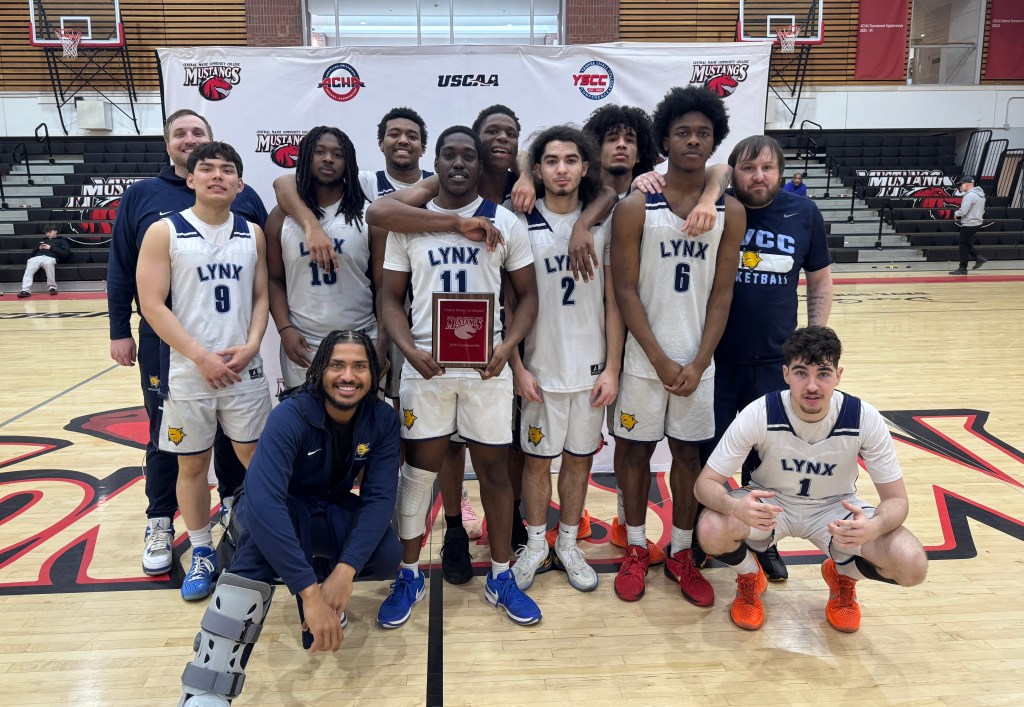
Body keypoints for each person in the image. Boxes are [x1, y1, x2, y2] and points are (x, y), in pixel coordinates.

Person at [370, 125, 542, 627]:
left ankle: (502, 575)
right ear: (436, 163)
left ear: (479, 164)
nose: (460, 163)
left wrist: (509, 349)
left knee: (494, 472)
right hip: (427, 370)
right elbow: (389, 299)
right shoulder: (411, 223)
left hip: (487, 369)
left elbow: (528, 297)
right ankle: (408, 574)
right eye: (450, 155)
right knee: (418, 473)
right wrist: (407, 350)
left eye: (469, 155)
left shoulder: (505, 221)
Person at [177, 331, 402, 706]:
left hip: (326, 507)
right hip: (272, 508)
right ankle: (208, 684)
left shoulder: (382, 419)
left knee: (384, 552)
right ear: (319, 371)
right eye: (337, 365)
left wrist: (343, 574)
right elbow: (266, 502)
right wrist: (310, 594)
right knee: (263, 546)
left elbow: (379, 500)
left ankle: (318, 570)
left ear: (373, 373)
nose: (348, 376)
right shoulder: (291, 414)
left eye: (360, 366)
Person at [107, 109, 267, 577]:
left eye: (227, 171)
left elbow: (262, 296)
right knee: (191, 464)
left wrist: (255, 342)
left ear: (239, 184)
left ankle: (256, 536)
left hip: (243, 367)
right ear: (191, 179)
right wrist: (198, 355)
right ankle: (199, 550)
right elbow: (152, 304)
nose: (217, 177)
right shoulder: (164, 229)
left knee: (256, 463)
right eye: (207, 170)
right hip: (187, 368)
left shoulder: (252, 232)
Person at [695, 326, 928, 632]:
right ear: (785, 374)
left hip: (834, 508)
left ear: (839, 375)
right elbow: (704, 484)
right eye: (802, 373)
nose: (812, 386)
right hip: (772, 505)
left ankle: (843, 576)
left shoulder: (863, 417)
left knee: (912, 564)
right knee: (711, 527)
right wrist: (734, 506)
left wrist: (874, 526)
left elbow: (896, 500)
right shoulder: (760, 412)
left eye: (824, 373)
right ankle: (750, 576)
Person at [610, 86, 745, 606]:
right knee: (634, 452)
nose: (693, 140)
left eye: (703, 134)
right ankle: (637, 547)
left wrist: (700, 359)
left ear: (714, 142)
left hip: (697, 362)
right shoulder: (634, 208)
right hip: (648, 362)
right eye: (683, 132)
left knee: (689, 455)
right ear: (663, 139)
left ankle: (682, 551)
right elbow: (624, 289)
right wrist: (661, 358)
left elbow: (722, 292)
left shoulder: (730, 211)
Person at [691, 135, 834, 582]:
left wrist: (816, 343)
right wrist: (715, 189)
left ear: (781, 172)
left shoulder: (804, 213)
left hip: (774, 362)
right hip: (715, 359)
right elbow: (713, 170)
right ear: (734, 172)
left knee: (765, 462)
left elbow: (820, 280)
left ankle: (761, 543)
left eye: (767, 168)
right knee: (707, 454)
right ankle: (702, 536)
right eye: (748, 167)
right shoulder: (716, 205)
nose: (757, 176)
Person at [509, 125, 623, 593]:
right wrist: (516, 366)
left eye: (571, 160)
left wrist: (613, 367)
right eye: (551, 161)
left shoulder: (604, 223)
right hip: (540, 369)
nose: (561, 169)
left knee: (579, 461)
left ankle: (568, 542)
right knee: (536, 462)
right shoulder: (518, 221)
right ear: (537, 168)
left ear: (585, 167)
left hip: (592, 371)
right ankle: (536, 542)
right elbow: (508, 302)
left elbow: (614, 302)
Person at [265, 126, 387, 389]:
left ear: (349, 163)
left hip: (360, 338)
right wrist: (284, 329)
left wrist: (382, 343)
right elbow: (274, 279)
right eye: (319, 152)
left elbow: (384, 289)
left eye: (338, 154)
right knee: (306, 427)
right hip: (304, 343)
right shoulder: (281, 217)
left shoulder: (368, 216)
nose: (328, 158)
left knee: (359, 428)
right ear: (306, 157)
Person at [18, 223, 70, 297]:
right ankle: (25, 290)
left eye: (50, 231)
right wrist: (38, 248)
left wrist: (51, 248)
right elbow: (32, 253)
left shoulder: (62, 241)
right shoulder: (42, 241)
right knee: (30, 262)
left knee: (48, 263)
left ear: (55, 231)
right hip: (37, 257)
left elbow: (65, 254)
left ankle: (52, 288)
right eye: (46, 232)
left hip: (50, 258)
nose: (48, 234)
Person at [949, 175, 988, 274]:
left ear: (966, 184)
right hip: (977, 223)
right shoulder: (981, 195)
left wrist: (956, 215)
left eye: (961, 184)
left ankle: (963, 268)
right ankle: (978, 258)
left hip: (969, 223)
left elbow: (963, 211)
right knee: (966, 243)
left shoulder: (969, 195)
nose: (960, 186)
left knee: (963, 244)